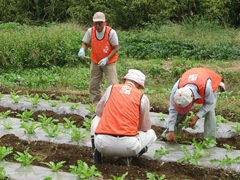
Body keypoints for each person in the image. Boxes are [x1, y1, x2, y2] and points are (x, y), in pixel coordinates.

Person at [90, 69, 157, 166]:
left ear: (124, 80)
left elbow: (99, 112)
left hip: (102, 144)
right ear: (139, 86)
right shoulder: (142, 97)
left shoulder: (111, 89)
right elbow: (145, 127)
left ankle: (97, 155)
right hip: (129, 147)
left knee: (96, 119)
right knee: (151, 134)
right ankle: (128, 158)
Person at [162, 67, 225, 144]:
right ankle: (169, 135)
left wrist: (197, 116)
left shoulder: (206, 87)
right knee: (180, 113)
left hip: (210, 82)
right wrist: (171, 130)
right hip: (193, 79)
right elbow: (172, 110)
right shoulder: (177, 88)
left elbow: (209, 104)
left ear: (193, 98)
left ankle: (209, 142)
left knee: (210, 112)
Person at [78, 12, 119, 107]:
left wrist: (106, 59)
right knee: (93, 85)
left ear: (105, 22)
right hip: (95, 62)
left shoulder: (111, 33)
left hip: (109, 62)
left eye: (100, 23)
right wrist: (82, 49)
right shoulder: (90, 31)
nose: (97, 25)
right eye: (95, 23)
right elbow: (86, 43)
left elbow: (115, 48)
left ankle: (113, 106)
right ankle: (97, 105)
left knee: (113, 85)